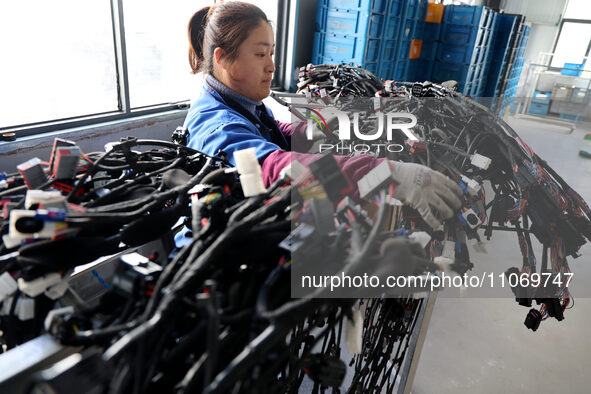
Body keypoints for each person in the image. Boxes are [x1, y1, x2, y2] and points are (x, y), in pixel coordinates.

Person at [182, 1, 462, 228]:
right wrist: (381, 173)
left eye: (272, 53)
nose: (271, 67)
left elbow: (267, 134)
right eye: (260, 55)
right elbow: (274, 169)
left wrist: (311, 129)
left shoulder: (237, 101)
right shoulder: (216, 124)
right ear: (222, 58)